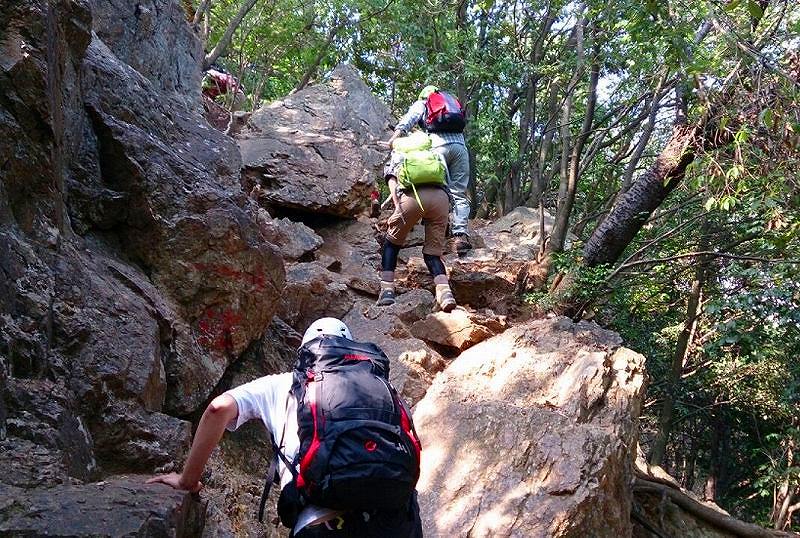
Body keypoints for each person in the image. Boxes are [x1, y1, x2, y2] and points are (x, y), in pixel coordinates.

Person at [147, 318, 423, 537]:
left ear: (305, 353)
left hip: (322, 524)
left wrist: (187, 480)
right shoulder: (382, 389)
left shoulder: (282, 384)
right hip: (398, 520)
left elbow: (218, 408)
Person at [387, 85, 472, 253]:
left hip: (436, 148)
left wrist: (393, 140)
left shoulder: (423, 102)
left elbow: (409, 120)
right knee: (459, 192)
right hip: (460, 148)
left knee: (435, 187)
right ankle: (460, 235)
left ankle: (434, 226)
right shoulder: (451, 105)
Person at [376, 145, 457, 313]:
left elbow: (392, 181)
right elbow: (446, 182)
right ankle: (445, 293)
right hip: (441, 199)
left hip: (413, 197)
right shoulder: (433, 155)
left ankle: (387, 290)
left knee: (392, 244)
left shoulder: (399, 153)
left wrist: (398, 207)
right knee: (432, 253)